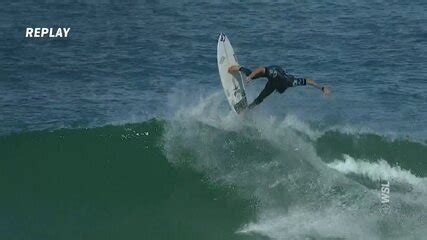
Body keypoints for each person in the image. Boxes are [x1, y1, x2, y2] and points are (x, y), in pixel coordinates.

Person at [228, 65, 331, 109]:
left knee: (260, 99)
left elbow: (308, 81)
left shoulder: (290, 83)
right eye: (278, 91)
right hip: (273, 71)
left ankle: (247, 110)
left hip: (274, 82)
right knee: (253, 75)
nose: (276, 92)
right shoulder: (278, 76)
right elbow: (261, 69)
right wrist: (249, 77)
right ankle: (239, 67)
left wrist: (322, 88)